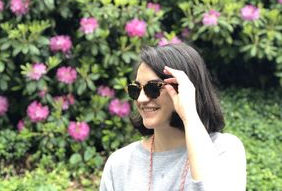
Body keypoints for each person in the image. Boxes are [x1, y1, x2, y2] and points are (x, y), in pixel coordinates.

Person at [99, 43, 246, 191]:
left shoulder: (224, 149)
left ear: (184, 89)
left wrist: (189, 115)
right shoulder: (120, 164)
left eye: (153, 87)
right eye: (135, 89)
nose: (141, 99)